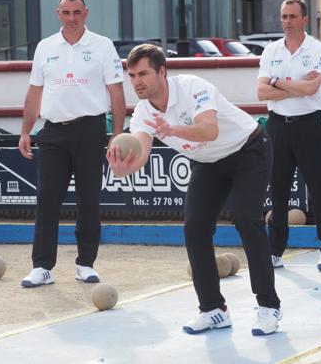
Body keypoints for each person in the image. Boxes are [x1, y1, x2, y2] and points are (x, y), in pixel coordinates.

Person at [107, 44, 282, 336]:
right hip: (209, 162)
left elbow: (209, 130)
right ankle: (213, 309)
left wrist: (172, 129)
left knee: (246, 219)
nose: (137, 81)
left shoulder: (192, 87)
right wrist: (124, 168)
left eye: (143, 73)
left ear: (162, 72)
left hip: (248, 150)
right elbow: (141, 149)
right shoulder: (143, 112)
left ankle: (268, 306)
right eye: (132, 75)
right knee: (194, 227)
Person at [18, 0, 126, 287]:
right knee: (47, 199)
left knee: (88, 199)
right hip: (52, 131)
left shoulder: (103, 46)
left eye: (77, 13)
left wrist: (117, 135)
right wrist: (25, 131)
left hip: (90, 130)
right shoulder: (45, 47)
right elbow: (34, 93)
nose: (72, 18)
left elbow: (117, 93)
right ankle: (42, 267)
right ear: (58, 14)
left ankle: (85, 263)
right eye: (66, 13)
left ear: (86, 13)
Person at [257, 0, 321, 270]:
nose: (287, 22)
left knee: (319, 189)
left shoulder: (317, 50)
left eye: (293, 16)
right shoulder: (270, 51)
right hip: (278, 124)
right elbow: (261, 92)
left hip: (309, 124)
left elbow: (310, 90)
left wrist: (276, 82)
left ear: (304, 19)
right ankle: (274, 251)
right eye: (284, 16)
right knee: (278, 190)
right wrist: (293, 85)